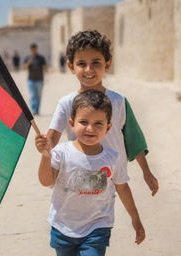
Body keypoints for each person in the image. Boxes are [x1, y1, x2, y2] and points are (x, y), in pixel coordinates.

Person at [47, 30, 159, 197]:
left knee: (105, 212)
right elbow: (52, 139)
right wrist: (44, 147)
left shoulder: (119, 101)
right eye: (82, 63)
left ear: (107, 64)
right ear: (71, 66)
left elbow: (133, 138)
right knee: (93, 211)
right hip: (85, 171)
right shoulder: (67, 103)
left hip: (114, 172)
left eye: (96, 62)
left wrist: (146, 171)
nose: (89, 69)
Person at [35, 90, 145, 256]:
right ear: (72, 123)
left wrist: (135, 218)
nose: (90, 128)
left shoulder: (112, 158)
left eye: (98, 123)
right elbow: (46, 181)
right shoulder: (61, 152)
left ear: (108, 128)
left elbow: (122, 188)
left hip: (97, 227)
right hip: (63, 226)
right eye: (84, 122)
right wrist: (45, 156)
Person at [22, 43, 47, 115]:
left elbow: (45, 67)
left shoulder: (41, 58)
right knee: (32, 95)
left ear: (37, 49)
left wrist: (47, 73)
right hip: (31, 80)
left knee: (38, 96)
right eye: (33, 49)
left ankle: (37, 110)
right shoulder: (28, 58)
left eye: (35, 49)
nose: (34, 50)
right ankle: (33, 110)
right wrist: (27, 64)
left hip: (40, 80)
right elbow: (23, 68)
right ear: (31, 50)